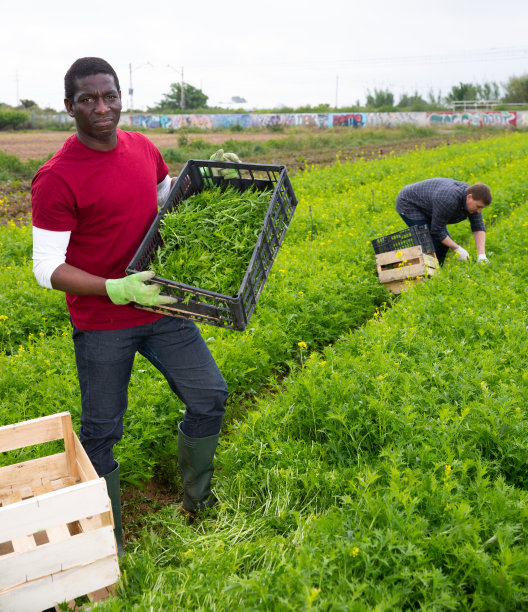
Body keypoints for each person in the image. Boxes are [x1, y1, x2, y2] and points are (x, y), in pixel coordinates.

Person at [31, 57, 231, 555]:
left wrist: (210, 193)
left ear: (122, 96)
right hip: (103, 322)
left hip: (162, 308)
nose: (103, 107)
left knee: (209, 397)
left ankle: (197, 503)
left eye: (110, 96)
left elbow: (169, 204)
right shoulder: (57, 177)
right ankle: (109, 544)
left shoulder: (143, 147)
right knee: (101, 432)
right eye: (89, 100)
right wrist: (115, 288)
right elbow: (45, 267)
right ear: (69, 107)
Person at [395, 178, 491, 265]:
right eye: (478, 207)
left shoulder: (474, 198)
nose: (479, 211)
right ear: (469, 197)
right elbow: (437, 231)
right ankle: (419, 273)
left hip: (430, 205)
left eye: (482, 208)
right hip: (409, 203)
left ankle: (437, 270)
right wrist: (457, 248)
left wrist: (481, 255)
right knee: (430, 244)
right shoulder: (449, 200)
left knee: (443, 245)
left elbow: (478, 226)